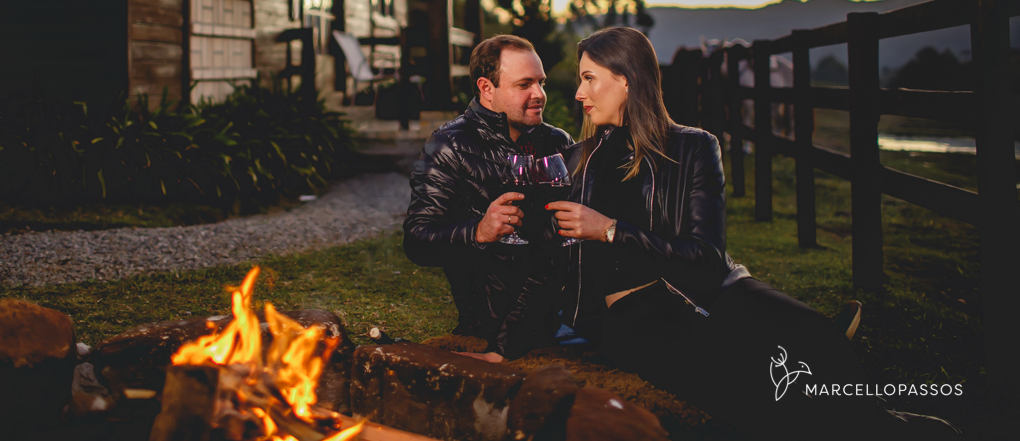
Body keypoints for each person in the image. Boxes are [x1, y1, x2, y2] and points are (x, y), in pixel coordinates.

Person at [543, 27, 958, 440]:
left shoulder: (694, 147)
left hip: (716, 289)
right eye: (581, 79)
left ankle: (885, 422)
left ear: (627, 80)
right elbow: (542, 243)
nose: (579, 93)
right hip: (638, 316)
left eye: (589, 78)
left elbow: (706, 259)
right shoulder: (576, 162)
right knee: (755, 385)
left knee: (818, 338)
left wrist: (611, 230)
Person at [403, 34, 572, 353]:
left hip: (562, 318)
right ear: (486, 88)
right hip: (488, 328)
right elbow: (417, 241)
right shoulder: (449, 146)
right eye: (524, 85)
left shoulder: (557, 142)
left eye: (541, 82)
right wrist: (478, 231)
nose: (539, 94)